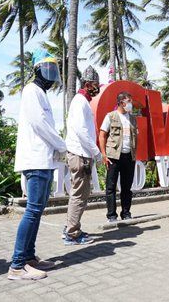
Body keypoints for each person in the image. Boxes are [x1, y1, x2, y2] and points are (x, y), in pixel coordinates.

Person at [7, 49, 66, 280]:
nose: (51, 75)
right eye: (47, 69)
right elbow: (40, 124)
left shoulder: (41, 93)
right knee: (32, 211)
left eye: (54, 70)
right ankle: (17, 265)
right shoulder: (32, 91)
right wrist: (62, 145)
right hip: (36, 159)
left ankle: (29, 257)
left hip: (44, 159)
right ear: (37, 70)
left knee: (37, 210)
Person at [63, 66, 102, 245]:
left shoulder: (82, 101)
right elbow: (81, 130)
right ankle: (72, 233)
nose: (97, 88)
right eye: (95, 84)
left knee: (80, 193)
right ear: (87, 84)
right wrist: (96, 152)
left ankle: (72, 227)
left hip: (82, 154)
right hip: (80, 155)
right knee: (79, 195)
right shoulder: (79, 101)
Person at [99, 92, 137, 223]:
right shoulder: (110, 116)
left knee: (127, 187)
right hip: (114, 156)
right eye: (129, 101)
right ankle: (111, 215)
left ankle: (126, 213)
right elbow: (102, 135)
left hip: (129, 156)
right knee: (111, 187)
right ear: (121, 102)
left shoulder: (132, 118)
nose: (131, 104)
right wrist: (104, 154)